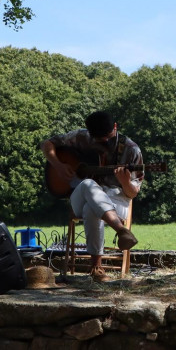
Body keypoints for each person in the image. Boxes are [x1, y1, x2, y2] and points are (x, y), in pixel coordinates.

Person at [40, 111, 141, 283]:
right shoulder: (81, 137)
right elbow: (46, 144)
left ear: (115, 127)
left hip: (117, 199)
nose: (103, 142)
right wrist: (58, 165)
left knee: (91, 208)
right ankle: (121, 231)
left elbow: (132, 193)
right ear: (89, 132)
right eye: (97, 139)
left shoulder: (131, 150)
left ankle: (96, 268)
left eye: (107, 137)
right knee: (87, 184)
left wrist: (125, 182)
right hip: (79, 196)